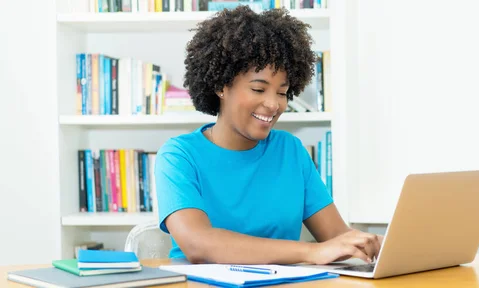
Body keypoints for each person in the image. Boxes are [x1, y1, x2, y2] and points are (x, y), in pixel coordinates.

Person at [154, 5, 383, 266]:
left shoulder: (291, 151)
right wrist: (310, 252)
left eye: (282, 92)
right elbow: (198, 244)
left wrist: (372, 243)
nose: (274, 104)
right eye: (258, 89)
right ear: (220, 86)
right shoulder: (179, 156)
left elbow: (338, 237)